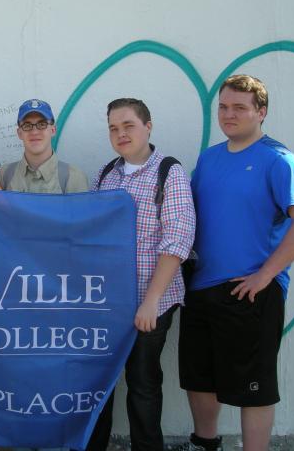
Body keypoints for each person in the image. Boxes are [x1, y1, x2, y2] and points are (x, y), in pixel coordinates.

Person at [177, 75, 294, 451]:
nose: (229, 114)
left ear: (261, 112)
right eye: (223, 107)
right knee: (199, 380)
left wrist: (264, 276)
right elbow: (188, 216)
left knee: (254, 389)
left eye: (239, 107)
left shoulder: (277, 159)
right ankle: (204, 444)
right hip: (201, 287)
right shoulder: (208, 159)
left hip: (250, 291)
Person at [84, 98, 195, 451]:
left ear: (148, 126)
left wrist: (151, 302)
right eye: (114, 128)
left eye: (128, 125)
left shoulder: (169, 172)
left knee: (144, 385)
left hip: (152, 302)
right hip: (109, 303)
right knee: (99, 385)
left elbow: (177, 240)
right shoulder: (106, 174)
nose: (120, 134)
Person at [0, 98, 89, 194]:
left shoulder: (74, 178)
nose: (35, 132)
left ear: (53, 130)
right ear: (19, 133)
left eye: (42, 124)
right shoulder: (4, 176)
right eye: (27, 125)